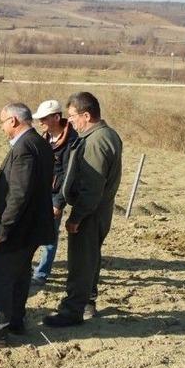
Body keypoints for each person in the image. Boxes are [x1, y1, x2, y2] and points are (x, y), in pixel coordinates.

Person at [0, 104, 55, 346]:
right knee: (20, 276)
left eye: (2, 122)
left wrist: (4, 227)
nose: (1, 127)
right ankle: (16, 321)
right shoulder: (40, 143)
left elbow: (19, 194)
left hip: (19, 229)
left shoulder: (24, 148)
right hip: (32, 227)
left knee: (2, 278)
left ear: (13, 121)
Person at [44, 92, 123, 327]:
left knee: (80, 262)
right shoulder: (108, 134)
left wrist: (76, 217)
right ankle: (87, 302)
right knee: (90, 259)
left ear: (86, 115)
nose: (70, 121)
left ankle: (72, 311)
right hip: (100, 210)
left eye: (72, 116)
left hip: (90, 213)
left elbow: (91, 187)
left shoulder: (96, 142)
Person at [30, 100, 78, 287]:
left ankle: (41, 273)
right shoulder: (45, 138)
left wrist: (58, 203)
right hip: (39, 193)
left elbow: (68, 176)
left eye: (44, 118)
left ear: (56, 117)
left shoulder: (71, 142)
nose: (40, 122)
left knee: (49, 236)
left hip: (54, 195)